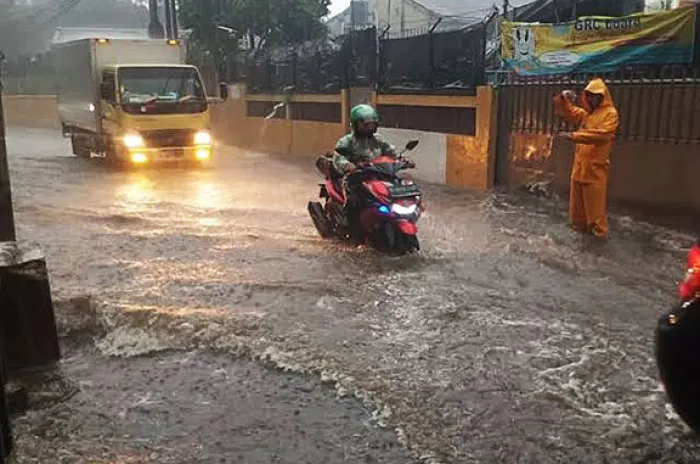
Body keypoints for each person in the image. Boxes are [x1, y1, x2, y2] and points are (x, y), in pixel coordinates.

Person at [553, 78, 619, 240]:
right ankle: (580, 246)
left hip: (595, 172)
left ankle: (599, 248)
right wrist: (563, 97)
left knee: (596, 219)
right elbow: (566, 111)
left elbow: (602, 135)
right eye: (588, 95)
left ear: (602, 97)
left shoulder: (610, 114)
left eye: (594, 96)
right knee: (576, 217)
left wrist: (573, 136)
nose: (591, 99)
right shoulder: (586, 115)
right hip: (579, 171)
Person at [332, 104, 411, 240]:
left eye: (372, 125)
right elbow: (338, 157)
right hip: (355, 179)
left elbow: (392, 153)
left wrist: (403, 161)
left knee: (398, 193)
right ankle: (352, 232)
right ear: (356, 125)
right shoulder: (347, 141)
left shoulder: (379, 140)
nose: (369, 128)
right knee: (353, 202)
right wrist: (347, 166)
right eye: (366, 125)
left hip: (380, 176)